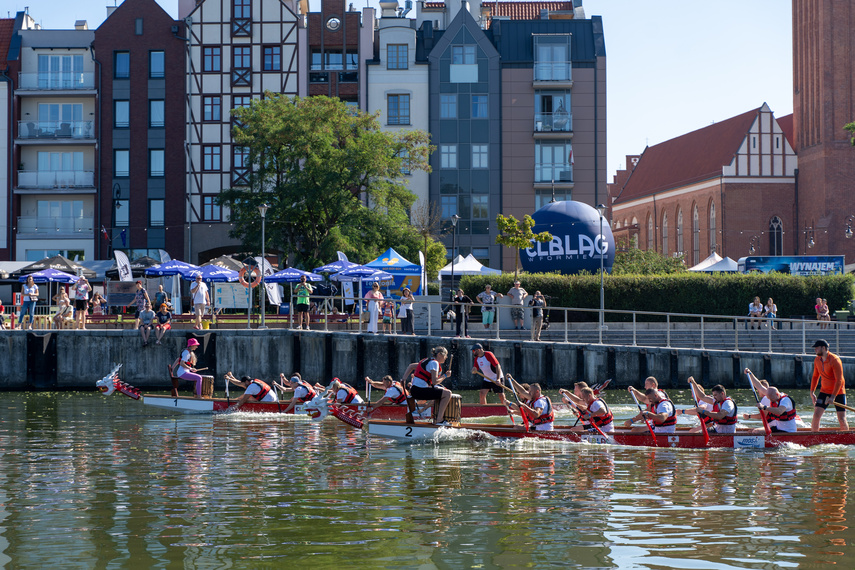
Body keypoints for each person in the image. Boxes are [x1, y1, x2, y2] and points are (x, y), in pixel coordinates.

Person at [400, 346, 453, 425]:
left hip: (415, 390)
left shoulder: (427, 361)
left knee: (441, 390)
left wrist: (403, 379)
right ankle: (439, 420)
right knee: (447, 393)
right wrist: (445, 375)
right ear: (439, 354)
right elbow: (434, 382)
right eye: (445, 355)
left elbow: (411, 366)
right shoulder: (434, 363)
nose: (446, 357)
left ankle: (436, 418)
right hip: (420, 391)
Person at [810, 339, 848, 430]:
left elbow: (839, 380)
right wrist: (812, 392)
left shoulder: (835, 360)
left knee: (841, 419)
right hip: (824, 391)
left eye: (817, 348)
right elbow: (815, 376)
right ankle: (814, 438)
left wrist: (833, 397)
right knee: (816, 415)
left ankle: (846, 439)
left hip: (838, 392)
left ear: (823, 348)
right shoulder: (817, 360)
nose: (815, 350)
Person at [744, 369, 798, 433]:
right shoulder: (772, 395)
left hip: (787, 431)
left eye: (772, 399)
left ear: (777, 394)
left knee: (756, 432)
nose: (771, 401)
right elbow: (759, 386)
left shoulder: (785, 400)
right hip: (777, 428)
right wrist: (750, 373)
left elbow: (779, 411)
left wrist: (764, 407)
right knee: (753, 431)